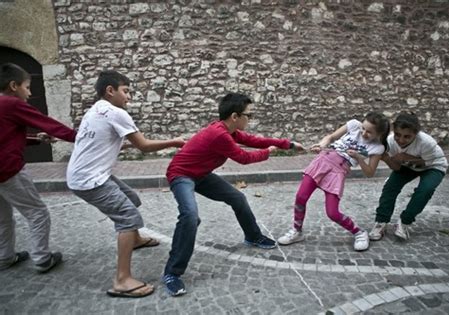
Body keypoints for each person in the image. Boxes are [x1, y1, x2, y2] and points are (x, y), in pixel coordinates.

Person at [162, 92, 304, 296]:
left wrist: (288, 144)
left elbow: (255, 141)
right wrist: (270, 152)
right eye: (249, 115)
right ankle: (172, 273)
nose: (250, 119)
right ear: (235, 117)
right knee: (190, 216)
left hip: (200, 174)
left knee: (237, 198)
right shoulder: (220, 134)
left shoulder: (230, 131)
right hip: (181, 175)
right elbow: (244, 158)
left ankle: (253, 236)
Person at [66, 70, 185, 298]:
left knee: (132, 199)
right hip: (90, 180)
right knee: (128, 218)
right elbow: (144, 146)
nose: (129, 97)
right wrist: (175, 141)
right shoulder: (116, 113)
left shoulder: (95, 111)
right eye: (126, 91)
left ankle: (136, 240)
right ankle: (122, 280)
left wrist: (131, 143)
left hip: (86, 175)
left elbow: (111, 141)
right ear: (110, 91)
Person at [0, 63, 76, 272]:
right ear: (14, 85)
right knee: (37, 213)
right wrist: (78, 137)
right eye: (27, 87)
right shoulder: (11, 104)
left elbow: (6, 136)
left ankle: (5, 257)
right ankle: (42, 258)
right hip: (8, 170)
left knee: (3, 218)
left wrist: (34, 140)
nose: (30, 92)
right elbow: (47, 123)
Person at [278, 112, 390, 251]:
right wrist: (321, 144)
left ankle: (359, 233)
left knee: (332, 212)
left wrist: (359, 158)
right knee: (300, 197)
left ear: (379, 134)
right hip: (322, 160)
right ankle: (297, 231)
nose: (363, 133)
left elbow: (370, 173)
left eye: (369, 132)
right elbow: (331, 137)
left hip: (338, 171)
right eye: (363, 128)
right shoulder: (354, 125)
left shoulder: (377, 148)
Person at [369, 112, 447, 241]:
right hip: (408, 167)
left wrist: (406, 157)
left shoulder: (427, 142)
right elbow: (397, 168)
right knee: (390, 187)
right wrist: (387, 159)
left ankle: (404, 222)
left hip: (433, 166)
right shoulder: (390, 142)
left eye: (407, 136)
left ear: (415, 134)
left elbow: (427, 162)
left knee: (425, 190)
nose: (401, 140)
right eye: (398, 135)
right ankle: (381, 222)